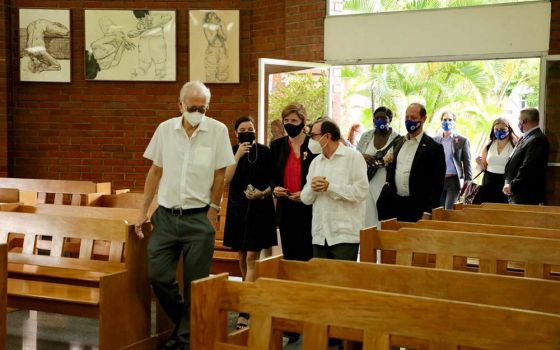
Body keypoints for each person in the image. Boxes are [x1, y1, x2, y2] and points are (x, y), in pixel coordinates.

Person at [134, 81, 235, 350]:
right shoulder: (165, 130)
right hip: (166, 216)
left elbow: (219, 174)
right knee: (158, 276)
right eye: (192, 107)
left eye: (203, 108)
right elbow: (155, 171)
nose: (198, 112)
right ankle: (187, 325)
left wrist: (214, 211)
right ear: (180, 105)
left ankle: (185, 340)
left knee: (196, 284)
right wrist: (143, 211)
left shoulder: (217, 131)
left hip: (198, 218)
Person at [223, 116, 277, 329]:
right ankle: (251, 293)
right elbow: (226, 179)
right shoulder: (230, 151)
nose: (247, 131)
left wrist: (263, 192)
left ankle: (245, 309)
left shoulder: (264, 151)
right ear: (236, 133)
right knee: (242, 254)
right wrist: (237, 155)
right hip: (238, 208)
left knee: (253, 255)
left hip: (260, 207)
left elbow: (274, 179)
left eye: (250, 128)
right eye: (243, 129)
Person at [301, 118, 368, 261]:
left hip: (344, 235)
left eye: (313, 136)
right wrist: (312, 188)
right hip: (320, 235)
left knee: (342, 281)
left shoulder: (353, 157)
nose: (310, 140)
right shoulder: (315, 162)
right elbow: (305, 199)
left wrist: (330, 187)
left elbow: (361, 192)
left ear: (327, 136)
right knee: (320, 281)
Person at [380, 103, 445, 222]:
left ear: (423, 119)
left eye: (413, 118)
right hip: (396, 206)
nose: (409, 121)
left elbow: (437, 184)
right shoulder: (398, 142)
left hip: (418, 208)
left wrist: (428, 212)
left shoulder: (434, 148)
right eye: (407, 117)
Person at [270, 103, 316, 262]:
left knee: (308, 253)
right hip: (286, 205)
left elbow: (320, 174)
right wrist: (275, 187)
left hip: (309, 206)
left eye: (294, 121)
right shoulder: (277, 145)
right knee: (290, 255)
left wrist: (305, 193)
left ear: (303, 122)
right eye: (286, 120)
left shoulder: (313, 145)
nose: (289, 124)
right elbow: (272, 174)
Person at [356, 107, 401, 228]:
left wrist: (386, 161)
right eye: (377, 118)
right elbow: (355, 155)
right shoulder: (366, 136)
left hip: (385, 181)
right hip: (367, 179)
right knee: (366, 214)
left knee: (382, 213)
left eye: (383, 118)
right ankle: (367, 241)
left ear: (390, 119)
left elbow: (398, 160)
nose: (380, 120)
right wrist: (363, 156)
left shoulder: (397, 138)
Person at [503, 108, 550, 204]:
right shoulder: (527, 137)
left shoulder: (537, 139)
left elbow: (528, 167)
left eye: (519, 120)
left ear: (524, 121)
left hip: (526, 195)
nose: (518, 122)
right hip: (518, 194)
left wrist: (513, 186)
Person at [433, 111, 472, 209]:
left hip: (453, 181)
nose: (447, 122)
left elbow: (467, 163)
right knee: (437, 211)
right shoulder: (435, 140)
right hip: (438, 180)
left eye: (450, 120)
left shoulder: (462, 140)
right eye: (444, 119)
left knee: (448, 211)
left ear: (454, 122)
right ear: (441, 121)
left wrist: (468, 181)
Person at [476, 117, 517, 204]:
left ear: (509, 129)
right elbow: (483, 168)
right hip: (489, 182)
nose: (499, 131)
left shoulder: (515, 145)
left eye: (502, 129)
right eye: (496, 129)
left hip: (505, 181)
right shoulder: (489, 145)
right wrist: (479, 162)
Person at [128, 10, 172, 79]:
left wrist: (154, 24)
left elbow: (168, 17)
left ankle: (159, 72)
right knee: (144, 57)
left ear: (148, 14)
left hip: (157, 41)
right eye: (139, 19)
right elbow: (130, 34)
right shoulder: (140, 24)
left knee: (159, 57)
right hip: (144, 42)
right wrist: (138, 31)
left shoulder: (156, 18)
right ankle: (142, 68)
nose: (142, 20)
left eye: (143, 17)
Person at [203, 11, 229, 82]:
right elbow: (210, 41)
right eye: (212, 17)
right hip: (212, 50)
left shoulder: (221, 25)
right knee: (211, 73)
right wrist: (216, 31)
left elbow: (225, 38)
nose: (214, 18)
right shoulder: (206, 27)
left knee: (223, 72)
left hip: (222, 49)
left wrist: (219, 31)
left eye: (215, 16)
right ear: (208, 19)